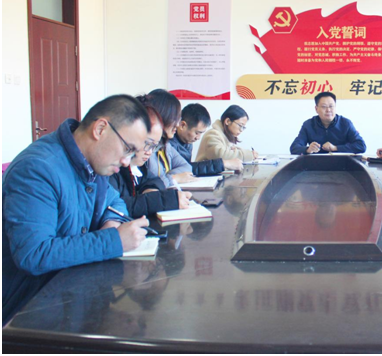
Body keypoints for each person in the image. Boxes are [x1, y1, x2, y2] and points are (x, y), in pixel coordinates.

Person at [2, 95, 152, 324]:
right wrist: (112, 241)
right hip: (28, 310)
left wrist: (111, 224)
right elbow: (34, 254)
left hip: (71, 297)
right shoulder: (37, 169)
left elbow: (115, 201)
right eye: (127, 149)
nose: (125, 161)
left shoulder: (93, 162)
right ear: (100, 129)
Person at [109, 105, 192, 218]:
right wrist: (165, 200)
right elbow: (115, 206)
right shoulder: (112, 168)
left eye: (154, 147)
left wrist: (150, 189)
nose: (149, 152)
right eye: (147, 144)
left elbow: (154, 180)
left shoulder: (140, 166)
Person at [169, 103, 243, 172]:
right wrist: (223, 164)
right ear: (182, 125)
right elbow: (185, 168)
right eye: (197, 133)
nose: (198, 138)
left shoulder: (186, 141)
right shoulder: (169, 143)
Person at [290, 92, 366, 155]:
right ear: (316, 109)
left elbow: (361, 146)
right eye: (324, 107)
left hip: (342, 164)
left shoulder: (345, 123)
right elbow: (294, 148)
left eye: (331, 106)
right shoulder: (308, 124)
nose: (328, 110)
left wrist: (335, 148)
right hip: (315, 165)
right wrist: (308, 149)